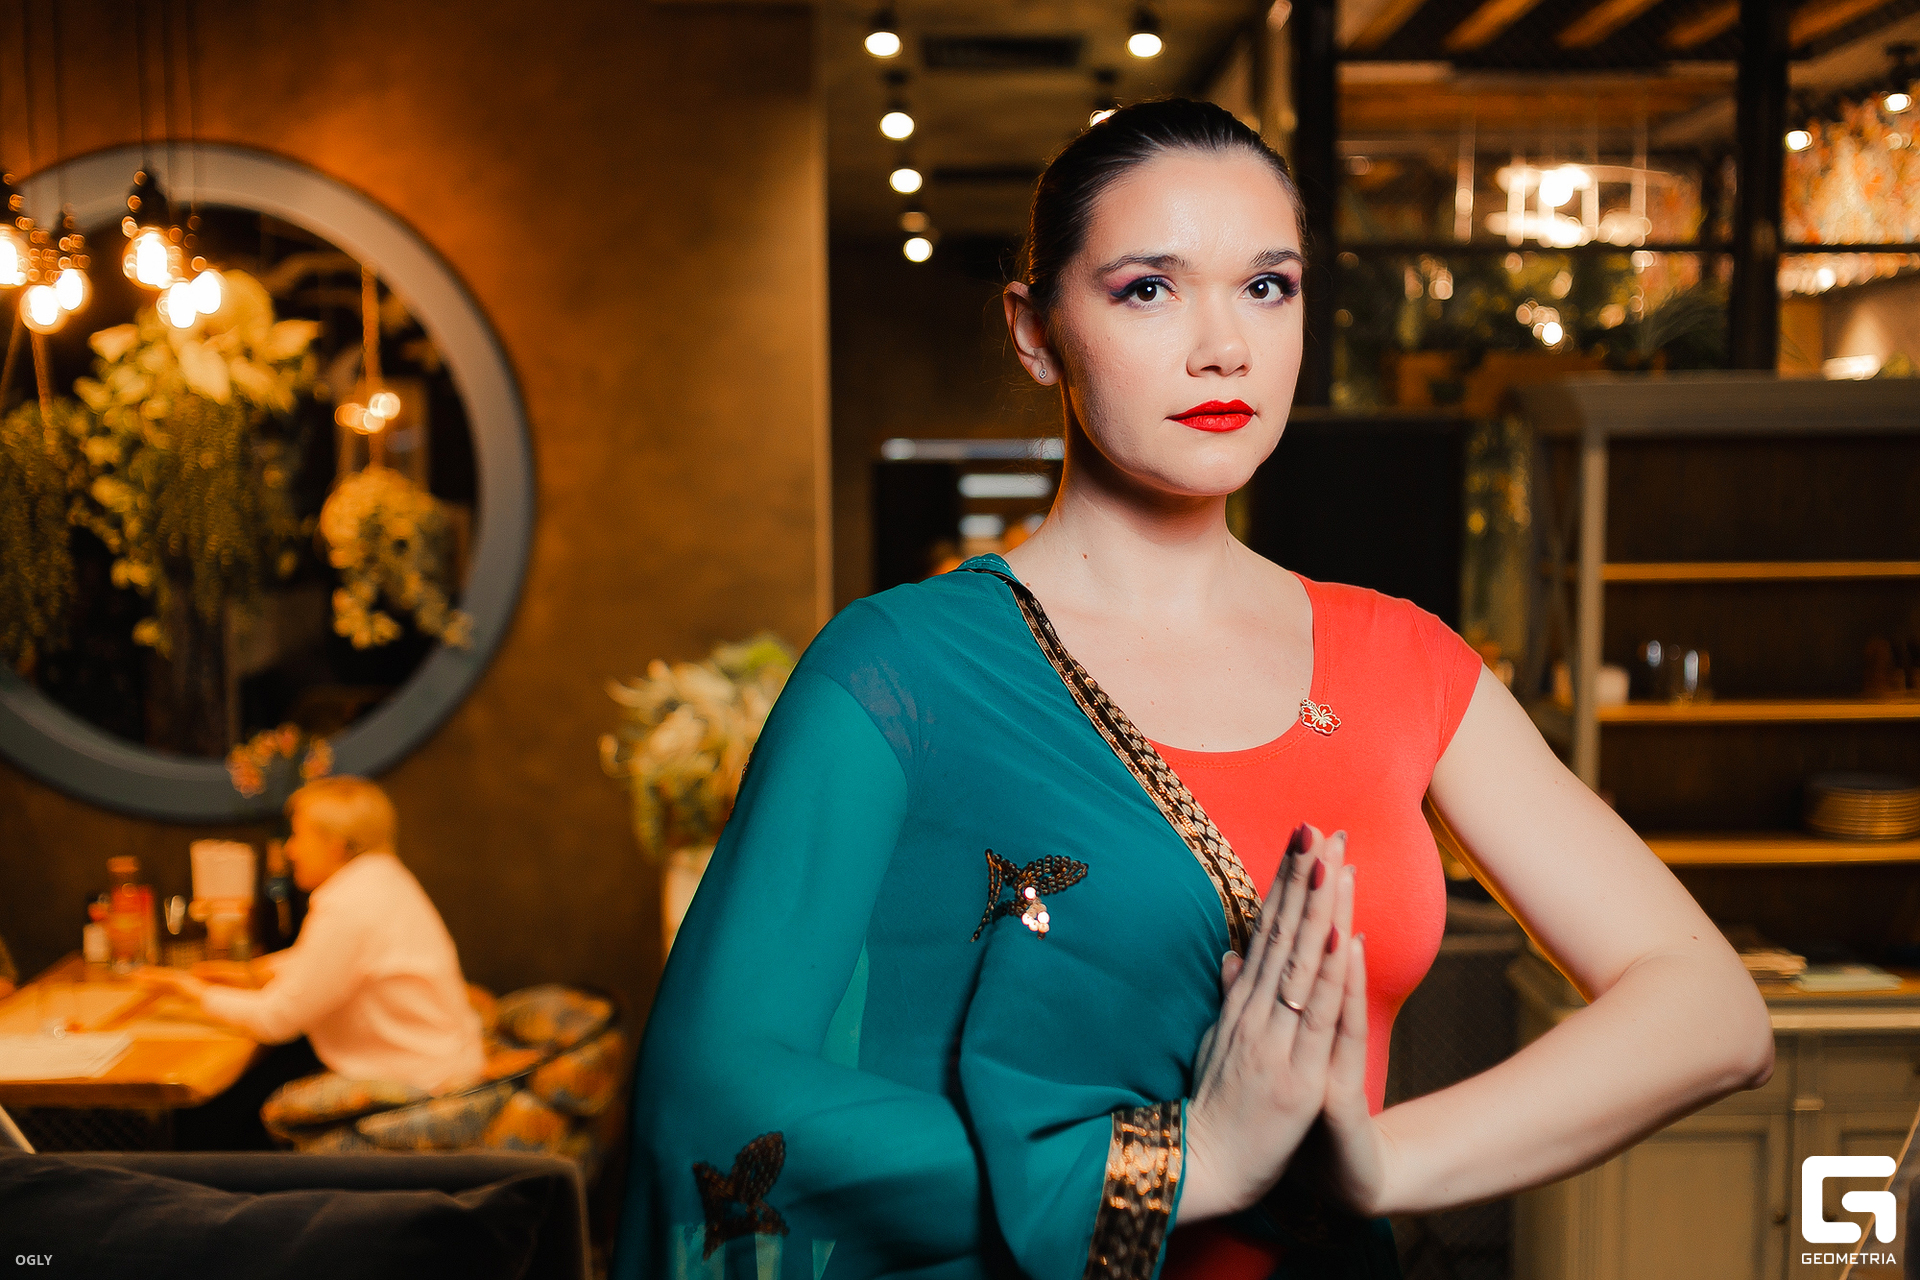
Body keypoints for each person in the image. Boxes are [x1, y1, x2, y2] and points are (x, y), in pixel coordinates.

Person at [616, 99, 1774, 1279]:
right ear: (1035, 330)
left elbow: (1710, 1010)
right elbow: (707, 1096)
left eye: (1266, 286)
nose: (1224, 346)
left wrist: (1379, 1164)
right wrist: (1188, 1158)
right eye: (1148, 289)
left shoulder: (1398, 660)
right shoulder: (899, 672)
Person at [138, 776, 484, 1147]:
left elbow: (275, 1020)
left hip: (420, 1087)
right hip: (448, 1065)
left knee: (215, 1117)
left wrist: (192, 992)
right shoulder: (382, 878)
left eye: (298, 836)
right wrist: (253, 973)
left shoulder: (347, 905)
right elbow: (340, 959)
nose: (290, 850)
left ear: (334, 846)